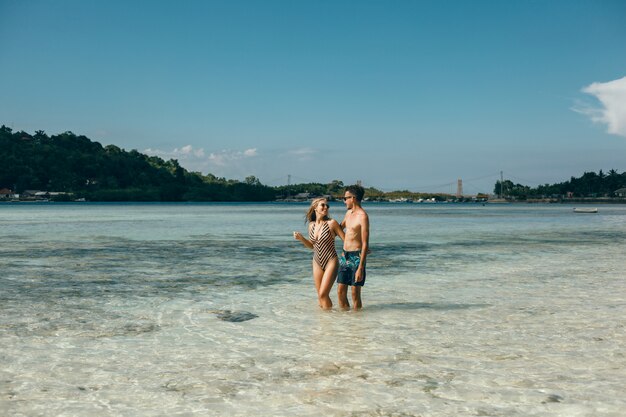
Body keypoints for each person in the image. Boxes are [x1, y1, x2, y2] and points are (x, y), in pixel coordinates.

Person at [293, 198, 345, 310]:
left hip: (331, 260)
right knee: (320, 296)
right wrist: (301, 239)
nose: (326, 207)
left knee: (323, 294)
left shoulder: (332, 223)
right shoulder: (311, 225)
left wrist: (359, 249)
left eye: (327, 206)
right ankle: (324, 322)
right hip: (316, 261)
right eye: (323, 205)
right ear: (315, 208)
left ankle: (331, 320)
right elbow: (312, 246)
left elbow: (346, 240)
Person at [337, 184, 370, 310]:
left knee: (355, 293)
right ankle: (346, 322)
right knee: (340, 291)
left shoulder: (363, 216)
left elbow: (365, 243)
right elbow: (339, 229)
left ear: (354, 198)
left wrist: (360, 267)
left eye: (346, 198)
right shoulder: (348, 213)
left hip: (357, 256)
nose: (344, 201)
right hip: (345, 255)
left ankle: (357, 323)